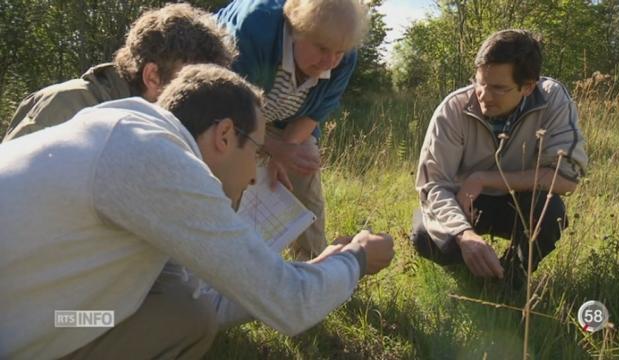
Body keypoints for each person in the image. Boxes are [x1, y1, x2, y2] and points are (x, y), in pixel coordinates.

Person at [0, 64, 394, 359]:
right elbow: (291, 305)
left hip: (45, 318)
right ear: (224, 135)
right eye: (258, 152)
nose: (256, 177)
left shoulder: (127, 133)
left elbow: (207, 300)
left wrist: (315, 268)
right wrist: (357, 259)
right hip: (17, 332)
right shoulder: (155, 159)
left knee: (186, 315)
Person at [410, 30, 588, 288]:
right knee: (424, 236)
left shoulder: (553, 100)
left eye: (498, 88)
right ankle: (472, 274)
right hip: (465, 203)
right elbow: (433, 186)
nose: (483, 95)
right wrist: (464, 234)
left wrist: (485, 179)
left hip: (518, 200)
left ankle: (511, 278)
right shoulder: (453, 109)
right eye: (479, 82)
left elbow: (566, 177)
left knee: (551, 214)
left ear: (528, 86)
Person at [215, 0, 369, 259]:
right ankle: (223, 264)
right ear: (297, 29)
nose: (330, 61)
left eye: (339, 52)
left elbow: (314, 114)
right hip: (224, 112)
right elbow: (229, 110)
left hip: (282, 119)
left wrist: (286, 152)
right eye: (322, 48)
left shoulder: (345, 56)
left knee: (304, 163)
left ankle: (313, 270)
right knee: (232, 179)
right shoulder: (255, 28)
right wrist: (276, 149)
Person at [2, 3, 236, 142]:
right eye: (192, 82)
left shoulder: (160, 127)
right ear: (152, 76)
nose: (201, 99)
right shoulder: (66, 106)